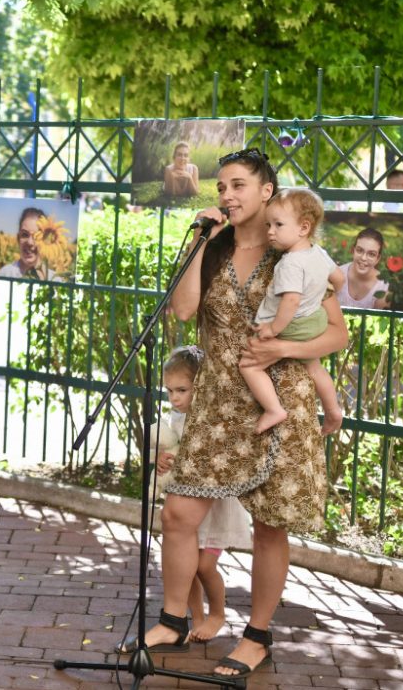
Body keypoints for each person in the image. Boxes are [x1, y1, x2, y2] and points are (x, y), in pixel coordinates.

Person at [120, 148, 348, 680]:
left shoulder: (293, 245)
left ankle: (257, 635)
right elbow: (181, 310)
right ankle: (175, 618)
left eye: (239, 185)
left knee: (270, 526)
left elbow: (337, 334)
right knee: (178, 515)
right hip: (217, 399)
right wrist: (201, 243)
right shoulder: (214, 246)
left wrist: (280, 350)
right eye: (222, 186)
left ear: (267, 191)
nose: (228, 195)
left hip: (279, 400)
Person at [147, 345, 251, 645]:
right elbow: (170, 450)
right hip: (186, 495)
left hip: (215, 505)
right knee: (187, 565)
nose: (174, 398)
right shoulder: (175, 419)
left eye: (182, 389)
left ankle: (217, 612)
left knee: (204, 565)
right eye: (169, 391)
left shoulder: (213, 418)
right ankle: (196, 617)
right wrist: (161, 459)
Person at [241, 188, 344, 434]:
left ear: (303, 228)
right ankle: (333, 410)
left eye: (278, 224)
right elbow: (339, 279)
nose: (270, 231)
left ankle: (274, 409)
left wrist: (273, 329)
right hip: (314, 320)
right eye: (268, 224)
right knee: (315, 367)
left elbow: (290, 301)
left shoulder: (289, 263)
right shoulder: (318, 253)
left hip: (293, 325)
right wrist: (321, 294)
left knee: (249, 365)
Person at [336, 227, 391, 309]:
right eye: (359, 250)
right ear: (353, 250)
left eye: (371, 254)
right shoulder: (337, 274)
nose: (364, 258)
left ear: (378, 258)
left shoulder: (382, 286)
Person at [0, 207, 58, 280]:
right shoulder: (5, 274)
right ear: (18, 239)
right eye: (24, 235)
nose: (30, 242)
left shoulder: (55, 280)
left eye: (37, 236)